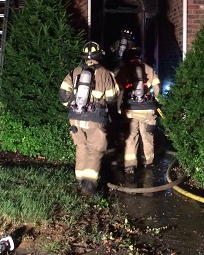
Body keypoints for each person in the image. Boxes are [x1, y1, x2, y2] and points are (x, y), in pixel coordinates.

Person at [59, 41, 119, 194]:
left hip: (75, 118)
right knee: (95, 150)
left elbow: (62, 95)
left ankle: (79, 180)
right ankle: (89, 186)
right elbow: (112, 98)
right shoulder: (106, 73)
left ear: (84, 57)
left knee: (81, 147)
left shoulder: (74, 72)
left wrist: (73, 105)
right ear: (99, 56)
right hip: (95, 119)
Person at [115, 47, 161, 174]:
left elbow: (117, 89)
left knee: (131, 136)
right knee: (147, 136)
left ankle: (130, 166)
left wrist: (118, 106)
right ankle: (148, 162)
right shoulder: (148, 68)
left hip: (130, 110)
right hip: (147, 110)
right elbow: (157, 88)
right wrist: (156, 100)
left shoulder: (125, 69)